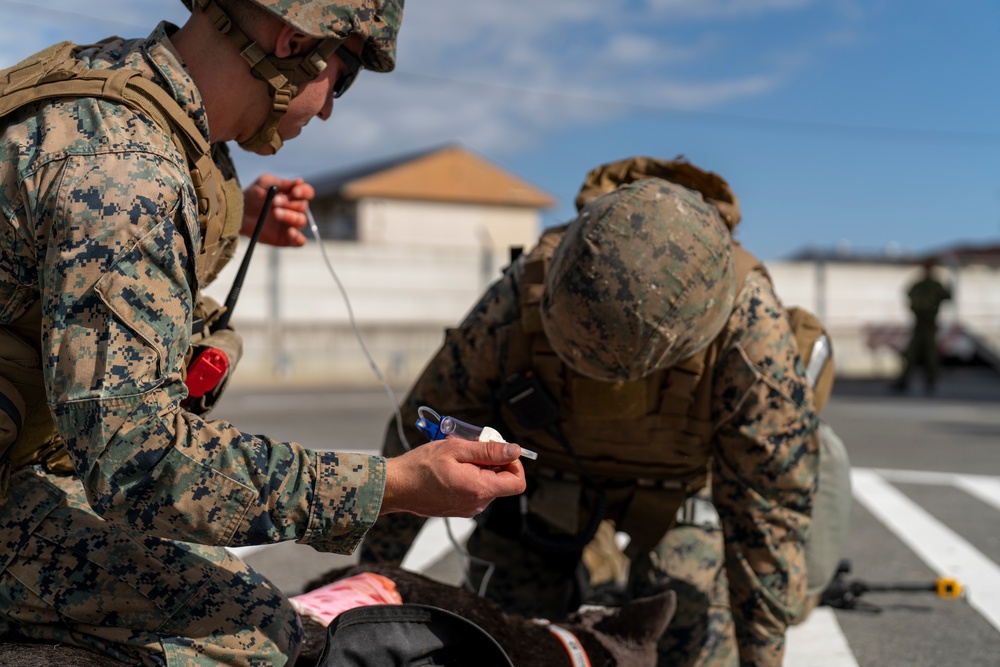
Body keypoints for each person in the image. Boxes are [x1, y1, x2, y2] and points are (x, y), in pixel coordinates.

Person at [0, 1, 526, 665]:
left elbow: (71, 243)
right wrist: (392, 484)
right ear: (295, 41)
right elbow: (141, 465)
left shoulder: (115, 85)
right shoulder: (128, 171)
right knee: (254, 634)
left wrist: (231, 218)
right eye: (344, 75)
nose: (332, 106)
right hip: (41, 471)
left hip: (30, 453)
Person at [361, 157, 822, 667]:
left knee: (690, 639)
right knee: (497, 641)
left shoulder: (751, 326)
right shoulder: (523, 292)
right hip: (544, 493)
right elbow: (418, 438)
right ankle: (589, 566)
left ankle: (619, 574)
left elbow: (768, 511)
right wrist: (370, 585)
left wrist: (764, 657)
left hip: (678, 504)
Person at [893, 258, 952, 394]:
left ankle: (930, 381)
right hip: (919, 324)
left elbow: (947, 296)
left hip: (930, 325)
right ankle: (904, 381)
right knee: (912, 354)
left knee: (931, 355)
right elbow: (910, 297)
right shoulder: (919, 285)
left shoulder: (935, 285)